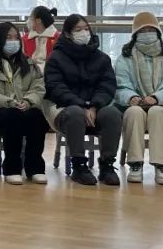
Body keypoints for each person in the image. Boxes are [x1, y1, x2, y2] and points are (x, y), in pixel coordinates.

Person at [43, 15, 123, 187]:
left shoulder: (102, 58)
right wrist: (82, 105)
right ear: (67, 34)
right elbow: (56, 88)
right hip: (65, 109)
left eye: (86, 29)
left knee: (112, 113)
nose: (84, 33)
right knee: (75, 113)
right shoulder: (55, 58)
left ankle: (107, 165)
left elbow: (107, 86)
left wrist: (93, 105)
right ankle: (79, 166)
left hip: (95, 108)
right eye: (78, 30)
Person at [0, 22, 49, 185]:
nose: (13, 41)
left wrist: (28, 101)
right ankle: (12, 168)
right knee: (12, 117)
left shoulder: (29, 64)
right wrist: (8, 102)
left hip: (25, 108)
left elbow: (39, 86)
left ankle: (35, 168)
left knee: (37, 117)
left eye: (15, 38)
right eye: (8, 38)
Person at [113, 13, 163, 186]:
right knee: (134, 112)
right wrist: (132, 97)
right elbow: (120, 84)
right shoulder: (124, 59)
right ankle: (135, 164)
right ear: (135, 34)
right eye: (142, 31)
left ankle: (161, 166)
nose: (147, 34)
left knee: (157, 112)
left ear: (158, 32)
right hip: (133, 105)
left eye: (150, 30)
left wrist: (156, 98)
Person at [23, 6, 59, 73]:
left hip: (50, 73)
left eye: (31, 18)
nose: (28, 21)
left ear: (38, 20)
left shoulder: (57, 39)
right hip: (30, 73)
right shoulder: (25, 39)